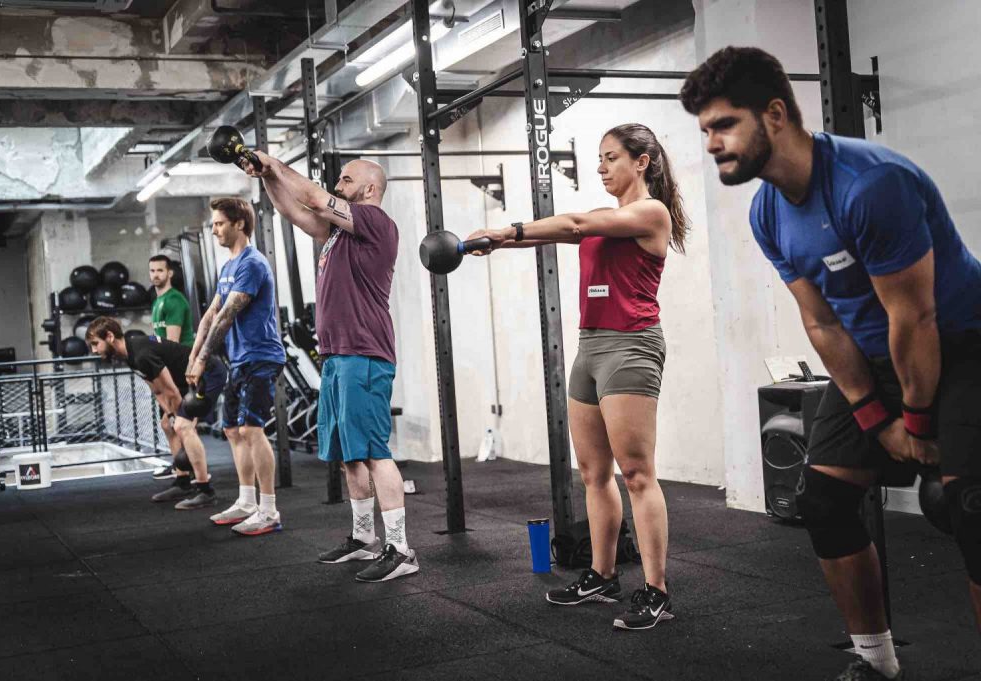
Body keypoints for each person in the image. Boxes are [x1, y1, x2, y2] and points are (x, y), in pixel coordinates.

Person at [681, 46, 981, 679]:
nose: (711, 144)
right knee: (821, 500)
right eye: (705, 130)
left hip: (962, 344)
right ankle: (875, 661)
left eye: (724, 125)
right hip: (878, 354)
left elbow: (916, 319)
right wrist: (875, 418)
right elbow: (821, 322)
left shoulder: (869, 185)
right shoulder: (767, 212)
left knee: (970, 507)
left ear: (775, 114)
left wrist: (918, 427)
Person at [466, 124, 689, 630]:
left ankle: (656, 590)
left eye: (611, 157)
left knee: (637, 474)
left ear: (642, 162)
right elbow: (565, 231)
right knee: (592, 473)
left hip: (630, 345)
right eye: (600, 158)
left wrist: (505, 231)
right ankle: (602, 575)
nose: (601, 167)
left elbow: (572, 225)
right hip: (590, 347)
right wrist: (499, 244)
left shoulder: (651, 212)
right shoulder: (608, 218)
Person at [240, 151, 417, 582]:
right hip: (337, 356)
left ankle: (400, 549)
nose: (338, 184)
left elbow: (316, 199)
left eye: (347, 179)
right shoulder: (339, 233)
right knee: (347, 455)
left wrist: (275, 164)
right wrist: (267, 177)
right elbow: (296, 212)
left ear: (370, 188)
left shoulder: (375, 222)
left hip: (364, 354)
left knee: (373, 452)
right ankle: (364, 538)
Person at [188, 197, 287, 537]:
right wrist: (194, 355)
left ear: (239, 224)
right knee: (232, 429)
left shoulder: (252, 264)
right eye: (213, 224)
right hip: (240, 359)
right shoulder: (228, 266)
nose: (214, 229)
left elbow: (226, 317)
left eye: (219, 223)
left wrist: (203, 360)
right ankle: (246, 502)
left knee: (251, 430)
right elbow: (211, 314)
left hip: (261, 357)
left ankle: (269, 510)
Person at [85, 316, 225, 509]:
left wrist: (181, 420)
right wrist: (170, 414)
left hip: (208, 373)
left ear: (109, 336)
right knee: (167, 425)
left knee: (182, 427)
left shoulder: (141, 354)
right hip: (184, 381)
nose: (94, 350)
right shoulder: (130, 354)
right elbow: (158, 390)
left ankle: (206, 490)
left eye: (95, 344)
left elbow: (171, 392)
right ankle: (183, 483)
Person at [149, 254, 197, 480]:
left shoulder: (174, 301)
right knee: (168, 424)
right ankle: (181, 466)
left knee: (178, 422)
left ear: (169, 273)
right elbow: (157, 339)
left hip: (178, 366)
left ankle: (190, 468)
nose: (155, 275)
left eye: (160, 270)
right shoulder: (157, 302)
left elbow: (171, 343)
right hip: (165, 365)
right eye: (152, 271)